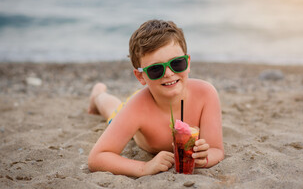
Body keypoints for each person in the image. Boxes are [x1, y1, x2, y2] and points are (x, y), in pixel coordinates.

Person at [87, 19, 224, 177]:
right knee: (113, 111)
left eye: (177, 63)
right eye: (155, 69)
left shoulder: (206, 94)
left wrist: (206, 158)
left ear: (188, 62)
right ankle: (98, 94)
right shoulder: (137, 108)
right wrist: (144, 167)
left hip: (151, 95)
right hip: (140, 102)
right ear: (141, 76)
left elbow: (216, 149)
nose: (168, 73)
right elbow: (97, 158)